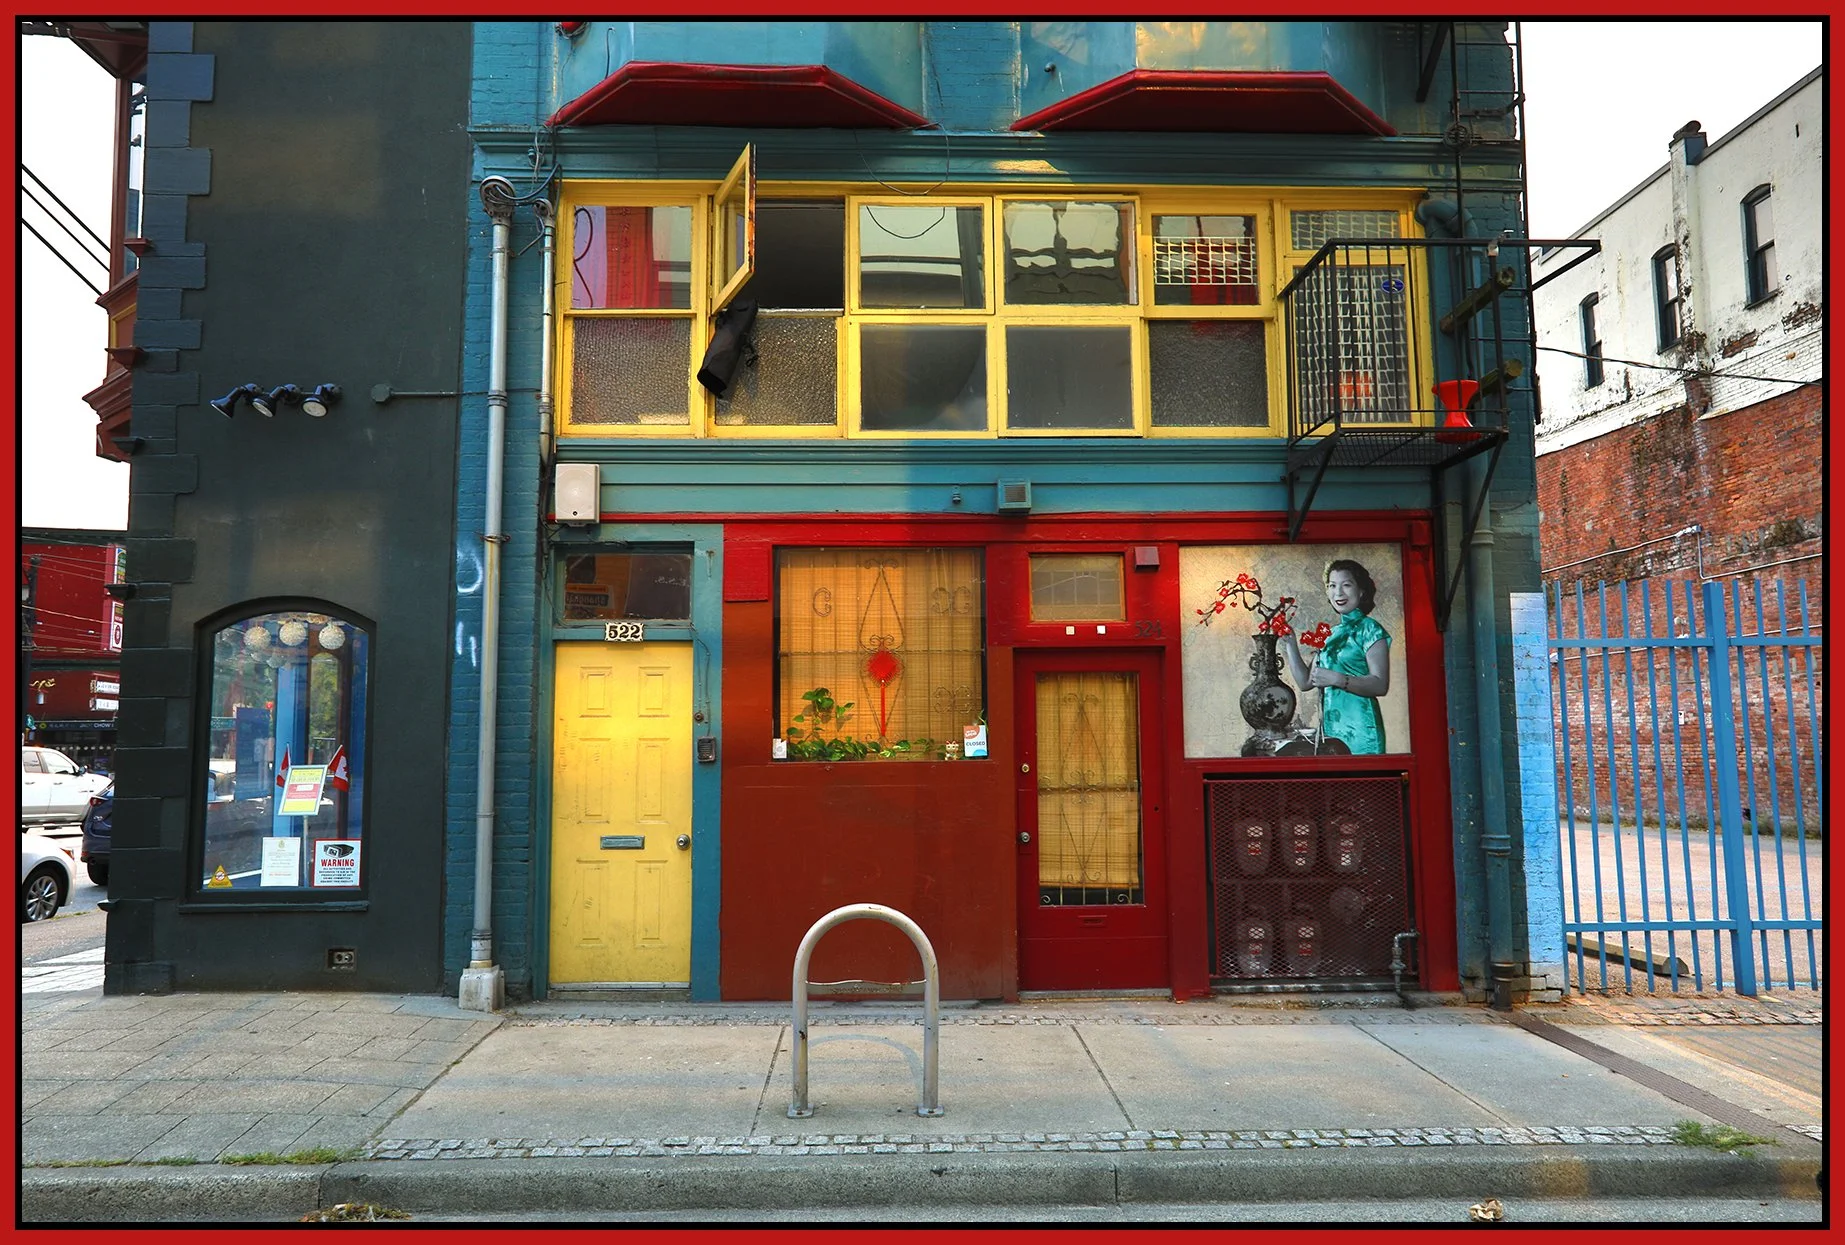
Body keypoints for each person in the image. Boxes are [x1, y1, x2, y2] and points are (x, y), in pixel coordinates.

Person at [1281, 559, 1391, 755]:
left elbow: (1380, 684)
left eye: (1346, 585)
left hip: (1361, 730)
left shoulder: (1370, 629)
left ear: (1361, 591)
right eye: (1332, 585)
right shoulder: (1329, 634)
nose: (1338, 593)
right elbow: (1306, 682)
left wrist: (1337, 679)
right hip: (1331, 732)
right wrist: (1290, 644)